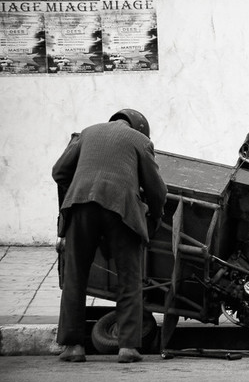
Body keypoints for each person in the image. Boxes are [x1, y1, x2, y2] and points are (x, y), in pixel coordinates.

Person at [53, 109, 168, 363]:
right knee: (129, 277)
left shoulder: (86, 133)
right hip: (121, 208)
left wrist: (80, 183)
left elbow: (58, 172)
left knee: (75, 276)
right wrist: (156, 214)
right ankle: (127, 347)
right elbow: (156, 189)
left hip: (81, 204)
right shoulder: (140, 141)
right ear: (138, 128)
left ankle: (73, 346)